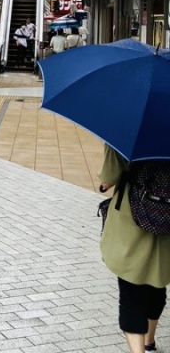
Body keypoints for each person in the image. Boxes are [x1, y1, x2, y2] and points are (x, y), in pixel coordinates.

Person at [98, 146, 170, 353]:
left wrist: (104, 185)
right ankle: (149, 342)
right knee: (157, 281)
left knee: (131, 294)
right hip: (167, 225)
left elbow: (109, 178)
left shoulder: (128, 129)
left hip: (133, 219)